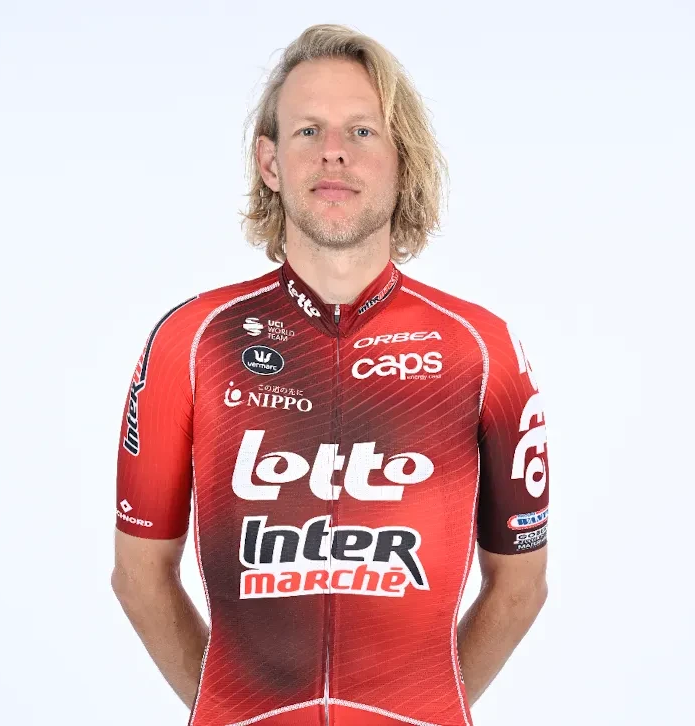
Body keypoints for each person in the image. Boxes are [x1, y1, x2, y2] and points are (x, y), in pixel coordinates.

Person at [112, 23, 549, 726]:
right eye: (308, 130)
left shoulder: (482, 350)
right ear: (270, 162)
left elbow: (521, 585)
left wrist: (421, 710)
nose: (334, 151)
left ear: (402, 159)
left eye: (362, 131)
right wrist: (234, 710)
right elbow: (139, 577)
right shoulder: (191, 342)